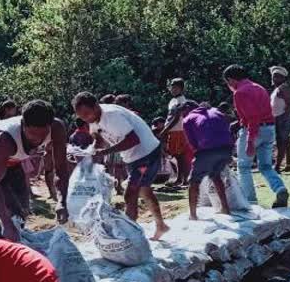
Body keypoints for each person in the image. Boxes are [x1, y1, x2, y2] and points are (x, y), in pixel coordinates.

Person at [73, 92, 170, 240]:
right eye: (82, 116)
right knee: (144, 190)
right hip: (133, 158)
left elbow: (133, 140)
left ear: (96, 106)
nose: (85, 118)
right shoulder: (93, 119)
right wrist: (87, 152)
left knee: (130, 193)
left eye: (87, 113)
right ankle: (161, 225)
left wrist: (105, 152)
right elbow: (99, 140)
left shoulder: (112, 116)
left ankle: (130, 235)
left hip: (146, 155)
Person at [0, 100, 70, 241]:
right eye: (32, 134)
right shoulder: (6, 139)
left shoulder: (57, 128)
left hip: (14, 161)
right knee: (10, 215)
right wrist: (7, 223)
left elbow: (61, 168)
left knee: (22, 212)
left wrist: (62, 201)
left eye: (43, 135)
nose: (37, 140)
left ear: (50, 125)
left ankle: (15, 240)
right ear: (23, 125)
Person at [223, 64, 289, 208]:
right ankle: (280, 189)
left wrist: (250, 140)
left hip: (254, 130)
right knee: (266, 166)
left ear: (230, 80)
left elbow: (253, 117)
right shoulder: (259, 87)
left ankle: (250, 202)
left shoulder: (240, 92)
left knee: (243, 167)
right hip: (269, 128)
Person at [175, 101, 233, 220]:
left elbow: (192, 143)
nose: (182, 117)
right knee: (216, 176)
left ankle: (193, 215)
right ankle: (225, 208)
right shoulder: (216, 111)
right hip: (227, 150)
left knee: (193, 181)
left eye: (181, 113)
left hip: (208, 151)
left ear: (187, 108)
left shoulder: (188, 119)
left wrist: (198, 157)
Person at [160, 78, 194, 187]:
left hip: (178, 130)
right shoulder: (172, 101)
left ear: (182, 89)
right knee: (177, 155)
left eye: (176, 88)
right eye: (172, 87)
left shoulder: (181, 100)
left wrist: (165, 130)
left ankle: (183, 179)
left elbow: (176, 118)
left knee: (181, 156)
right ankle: (180, 179)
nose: (173, 90)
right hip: (172, 130)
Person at [270, 66, 290, 173]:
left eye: (278, 77)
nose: (275, 79)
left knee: (281, 142)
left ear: (283, 78)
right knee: (286, 141)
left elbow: (289, 103)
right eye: (274, 76)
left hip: (282, 117)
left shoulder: (283, 88)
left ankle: (277, 166)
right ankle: (288, 165)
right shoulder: (277, 89)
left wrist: (282, 116)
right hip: (278, 117)